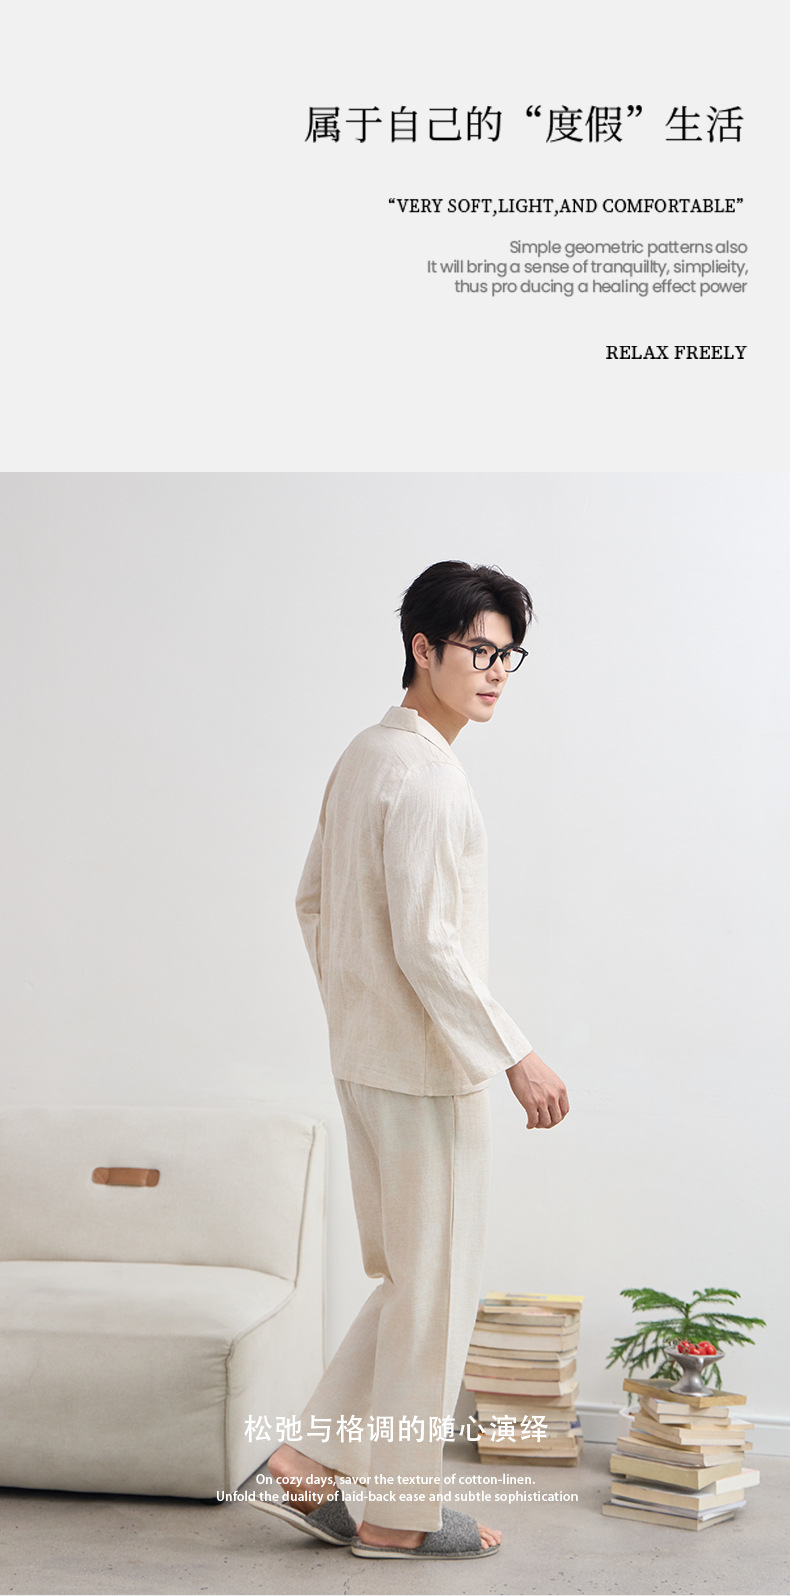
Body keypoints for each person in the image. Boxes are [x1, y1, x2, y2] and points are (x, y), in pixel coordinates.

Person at [251, 560, 570, 1561]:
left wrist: (358, 1014)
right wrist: (516, 1055)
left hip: (368, 1060)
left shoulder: (364, 754)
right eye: (478, 650)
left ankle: (309, 1462)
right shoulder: (427, 776)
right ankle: (393, 1514)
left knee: (409, 1283)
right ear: (422, 649)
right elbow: (430, 945)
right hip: (428, 1069)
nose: (496, 671)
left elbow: (311, 901)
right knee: (432, 1292)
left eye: (509, 654)